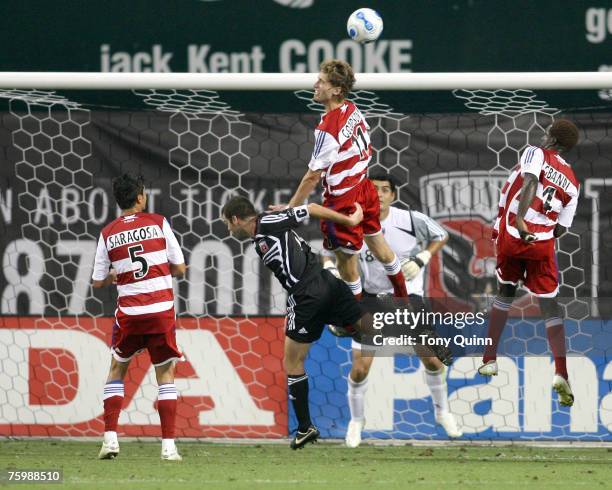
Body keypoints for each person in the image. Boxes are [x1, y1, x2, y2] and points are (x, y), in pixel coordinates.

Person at [222, 195, 373, 449]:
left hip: (305, 295)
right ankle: (349, 326)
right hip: (327, 283)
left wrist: (350, 219)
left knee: (292, 361)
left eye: (227, 224)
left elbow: (312, 209)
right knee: (369, 328)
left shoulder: (267, 222)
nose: (228, 230)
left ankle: (305, 427)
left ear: (235, 219)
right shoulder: (263, 231)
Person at [323, 173, 461, 447]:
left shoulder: (409, 220)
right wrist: (329, 267)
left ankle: (442, 412)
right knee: (361, 369)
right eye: (374, 189)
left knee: (433, 361)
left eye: (386, 190)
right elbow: (329, 250)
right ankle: (356, 421)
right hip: (371, 299)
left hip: (409, 299)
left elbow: (441, 234)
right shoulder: (352, 220)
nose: (380, 194)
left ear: (393, 196)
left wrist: (423, 257)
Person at [275, 59, 408, 301]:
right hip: (365, 188)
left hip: (343, 200)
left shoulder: (328, 128)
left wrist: (290, 209)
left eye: (322, 82)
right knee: (382, 250)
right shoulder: (352, 109)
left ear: (336, 89)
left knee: (347, 268)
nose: (315, 84)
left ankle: (353, 322)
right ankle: (403, 301)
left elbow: (312, 176)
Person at [478, 119, 580, 407]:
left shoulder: (536, 152)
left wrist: (522, 219)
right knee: (551, 306)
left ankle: (489, 359)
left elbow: (531, 180)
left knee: (505, 292)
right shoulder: (573, 181)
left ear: (550, 136)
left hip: (513, 234)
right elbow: (562, 228)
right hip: (543, 245)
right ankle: (561, 371)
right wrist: (541, 230)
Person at [92, 174, 186, 461]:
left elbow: (96, 282)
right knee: (166, 375)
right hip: (160, 312)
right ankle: (168, 448)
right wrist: (160, 271)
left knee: (116, 369)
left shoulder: (108, 233)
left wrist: (114, 276)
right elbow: (180, 268)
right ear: (140, 198)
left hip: (130, 315)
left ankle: (110, 440)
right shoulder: (159, 223)